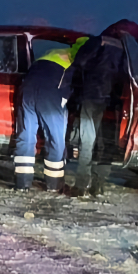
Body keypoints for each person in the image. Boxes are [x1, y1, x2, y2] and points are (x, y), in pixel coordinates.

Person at [70, 19, 138, 196]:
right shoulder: (128, 52)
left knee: (87, 140)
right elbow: (128, 77)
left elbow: (80, 62)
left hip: (91, 95)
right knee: (106, 143)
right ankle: (98, 186)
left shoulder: (99, 41)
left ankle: (81, 185)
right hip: (113, 102)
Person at [13, 40, 82, 190]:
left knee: (26, 134)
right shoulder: (82, 58)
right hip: (50, 92)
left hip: (28, 88)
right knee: (55, 137)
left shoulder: (55, 52)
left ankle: (22, 183)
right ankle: (54, 185)